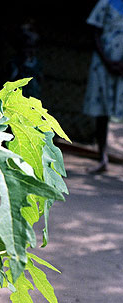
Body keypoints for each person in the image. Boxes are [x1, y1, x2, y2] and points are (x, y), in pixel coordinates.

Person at [83, 0, 123, 173]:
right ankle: (102, 157)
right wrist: (107, 61)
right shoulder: (105, 2)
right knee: (102, 111)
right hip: (103, 62)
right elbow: (94, 32)